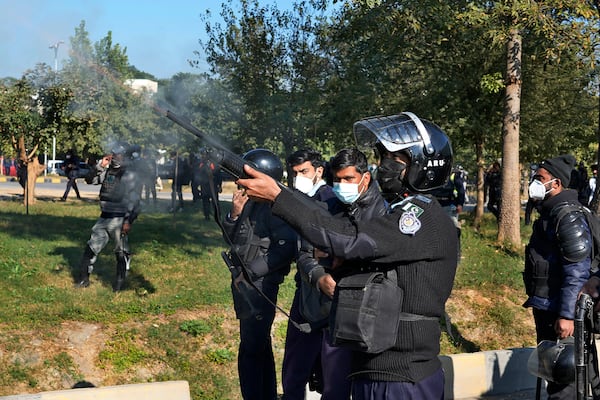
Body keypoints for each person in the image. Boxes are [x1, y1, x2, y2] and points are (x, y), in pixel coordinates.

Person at [237, 112, 458, 400]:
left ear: (422, 165)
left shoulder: (420, 217)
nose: (383, 168)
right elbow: (343, 236)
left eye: (394, 160)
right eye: (382, 160)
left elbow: (349, 240)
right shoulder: (397, 213)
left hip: (403, 377)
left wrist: (279, 197)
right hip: (374, 370)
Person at [221, 148, 298, 400]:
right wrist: (234, 214)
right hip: (245, 285)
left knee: (251, 351)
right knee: (258, 346)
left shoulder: (276, 208)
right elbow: (234, 240)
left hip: (261, 287)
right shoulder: (249, 202)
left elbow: (284, 251)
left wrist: (251, 272)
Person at [522, 154, 591, 399]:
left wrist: (566, 315)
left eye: (540, 178)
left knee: (564, 378)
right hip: (547, 306)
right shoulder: (551, 212)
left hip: (560, 311)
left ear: (557, 184)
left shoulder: (567, 216)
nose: (535, 182)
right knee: (553, 373)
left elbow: (577, 271)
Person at [76, 142, 142, 292]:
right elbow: (89, 179)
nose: (114, 157)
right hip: (104, 217)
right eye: (113, 154)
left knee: (121, 253)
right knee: (90, 248)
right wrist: (100, 166)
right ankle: (83, 280)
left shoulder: (129, 174)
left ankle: (119, 285)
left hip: (119, 219)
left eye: (118, 154)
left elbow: (136, 203)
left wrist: (128, 221)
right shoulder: (107, 172)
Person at [431, 164, 465, 261]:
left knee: (454, 230)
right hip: (436, 204)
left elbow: (461, 190)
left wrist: (460, 204)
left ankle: (456, 255)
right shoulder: (434, 174)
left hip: (449, 206)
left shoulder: (454, 175)